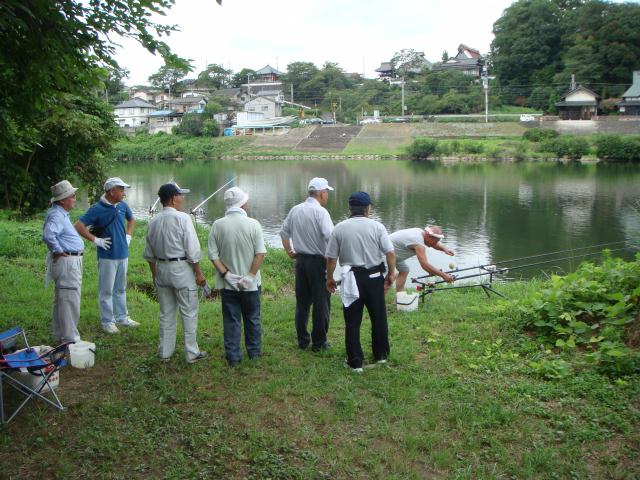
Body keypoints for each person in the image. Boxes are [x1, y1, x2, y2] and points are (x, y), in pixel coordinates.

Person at [325, 191, 396, 373]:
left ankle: (355, 361)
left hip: (351, 279)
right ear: (367, 209)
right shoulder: (377, 227)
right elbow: (390, 253)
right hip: (374, 278)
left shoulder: (339, 228)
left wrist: (329, 278)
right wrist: (390, 274)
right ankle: (381, 355)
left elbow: (332, 259)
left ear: (350, 207)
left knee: (352, 320)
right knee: (378, 317)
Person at [143, 183, 208, 364]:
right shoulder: (183, 218)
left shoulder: (153, 221)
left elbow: (149, 254)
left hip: (162, 268)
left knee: (166, 313)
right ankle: (191, 352)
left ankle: (165, 352)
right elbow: (193, 251)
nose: (183, 198)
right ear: (173, 198)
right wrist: (198, 274)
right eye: (180, 195)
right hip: (181, 269)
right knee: (188, 311)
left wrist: (155, 275)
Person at [208, 187, 266, 367]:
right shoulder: (253, 224)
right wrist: (249, 276)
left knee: (231, 319)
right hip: (251, 284)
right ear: (243, 204)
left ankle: (233, 356)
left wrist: (226, 274)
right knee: (252, 317)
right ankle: (254, 352)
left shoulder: (217, 225)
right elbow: (260, 254)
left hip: (227, 285)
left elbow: (213, 255)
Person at [75, 177, 139, 334]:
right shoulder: (97, 208)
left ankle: (122, 317)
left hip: (123, 253)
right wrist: (95, 240)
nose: (124, 193)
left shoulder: (123, 206)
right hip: (107, 256)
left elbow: (131, 220)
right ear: (112, 191)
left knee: (120, 288)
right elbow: (79, 226)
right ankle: (107, 321)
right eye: (121, 189)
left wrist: (128, 236)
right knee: (106, 290)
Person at [280, 177, 334, 352]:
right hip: (318, 261)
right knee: (321, 302)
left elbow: (283, 232)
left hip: (301, 261)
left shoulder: (295, 209)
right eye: (326, 192)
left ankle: (303, 340)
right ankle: (319, 342)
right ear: (321, 194)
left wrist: (289, 251)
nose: (327, 196)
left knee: (302, 303)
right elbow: (330, 238)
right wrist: (331, 261)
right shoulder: (321, 213)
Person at [42, 180, 85, 344]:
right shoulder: (57, 215)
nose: (74, 198)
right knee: (69, 299)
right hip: (68, 262)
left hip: (70, 260)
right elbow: (48, 234)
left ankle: (61, 335)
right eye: (72, 196)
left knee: (63, 298)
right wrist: (58, 250)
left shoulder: (60, 213)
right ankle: (70, 339)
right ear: (63, 200)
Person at [390, 225, 455, 291]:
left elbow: (433, 244)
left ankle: (399, 298)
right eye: (436, 241)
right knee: (387, 281)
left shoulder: (421, 233)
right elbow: (424, 265)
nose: (435, 243)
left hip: (395, 256)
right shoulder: (418, 243)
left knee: (404, 270)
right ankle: (380, 299)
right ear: (429, 237)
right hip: (384, 254)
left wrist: (444, 249)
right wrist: (444, 275)